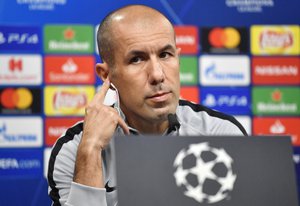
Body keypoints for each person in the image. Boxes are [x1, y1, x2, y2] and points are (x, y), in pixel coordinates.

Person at [47, 4, 247, 206]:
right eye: (136, 59)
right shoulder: (74, 151)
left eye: (165, 55)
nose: (157, 75)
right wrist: (90, 151)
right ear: (106, 75)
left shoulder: (222, 133)